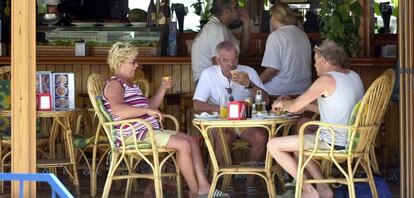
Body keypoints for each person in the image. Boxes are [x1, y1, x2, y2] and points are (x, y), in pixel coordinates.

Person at [102, 42, 228, 198]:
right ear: (120, 63)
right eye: (133, 62)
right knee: (183, 144)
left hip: (147, 130)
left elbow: (151, 105)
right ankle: (195, 192)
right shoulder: (115, 84)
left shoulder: (131, 85)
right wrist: (145, 110)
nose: (137, 65)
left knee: (192, 140)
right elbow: (118, 110)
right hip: (135, 134)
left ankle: (204, 187)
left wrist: (162, 87)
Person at [267, 40, 364, 198]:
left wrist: (281, 103)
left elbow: (293, 107)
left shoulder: (326, 80)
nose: (314, 65)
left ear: (323, 60)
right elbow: (339, 109)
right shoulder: (353, 76)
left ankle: (308, 190)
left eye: (315, 61)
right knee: (304, 134)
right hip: (354, 139)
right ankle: (324, 189)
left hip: (334, 142)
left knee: (273, 145)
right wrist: (307, 107)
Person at [193, 40, 269, 196]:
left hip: (245, 121)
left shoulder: (248, 72)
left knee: (260, 136)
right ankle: (226, 183)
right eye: (226, 60)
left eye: (234, 59)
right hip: (221, 122)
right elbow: (198, 105)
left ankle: (250, 184)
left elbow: (267, 100)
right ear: (217, 60)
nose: (231, 64)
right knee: (223, 138)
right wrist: (223, 109)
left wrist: (249, 84)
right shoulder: (209, 73)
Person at [191, 0, 250, 85]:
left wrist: (246, 23)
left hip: (214, 79)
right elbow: (219, 66)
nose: (240, 10)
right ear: (226, 12)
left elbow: (243, 52)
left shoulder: (222, 28)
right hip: (207, 82)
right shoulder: (216, 29)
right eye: (236, 7)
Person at [260, 2, 312, 96]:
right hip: (304, 90)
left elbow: (272, 69)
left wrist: (255, 83)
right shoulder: (303, 34)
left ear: (274, 17)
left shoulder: (276, 36)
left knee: (250, 91)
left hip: (279, 91)